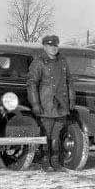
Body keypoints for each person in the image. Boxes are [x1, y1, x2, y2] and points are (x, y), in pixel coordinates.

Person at [28, 35, 76, 171]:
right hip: (45, 104)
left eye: (55, 45)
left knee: (57, 135)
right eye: (50, 45)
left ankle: (55, 162)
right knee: (46, 135)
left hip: (61, 105)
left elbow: (69, 82)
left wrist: (72, 100)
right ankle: (45, 162)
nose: (53, 48)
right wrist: (35, 104)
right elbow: (32, 84)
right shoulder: (38, 62)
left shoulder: (63, 61)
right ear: (44, 46)